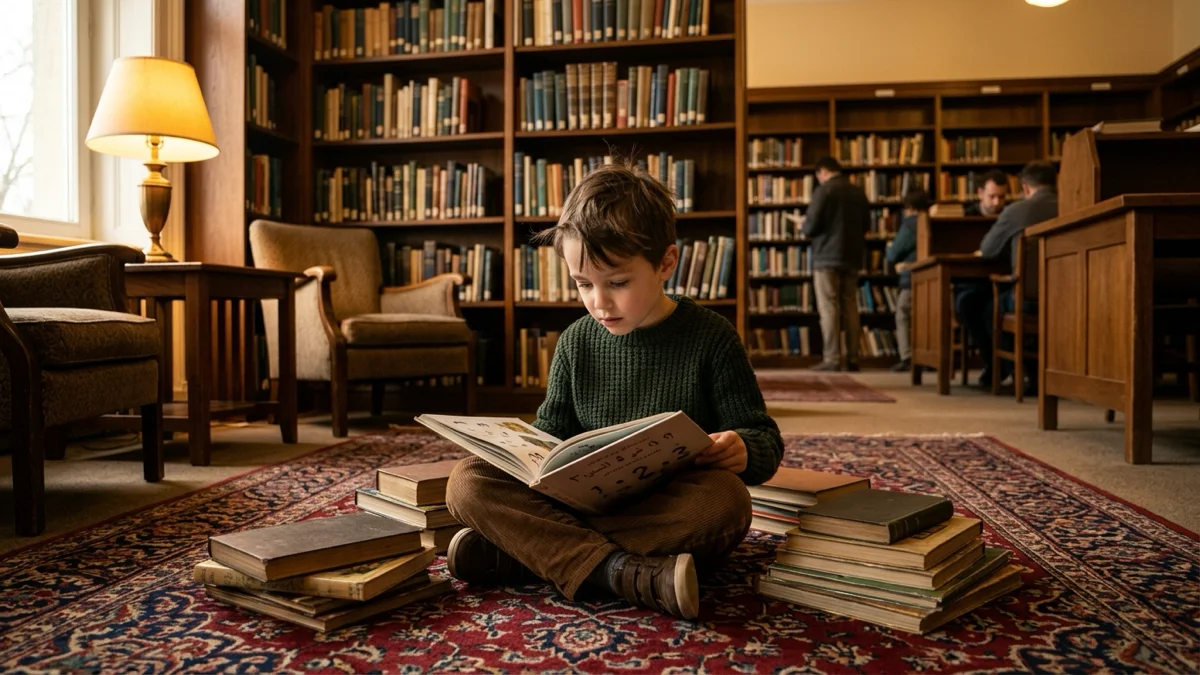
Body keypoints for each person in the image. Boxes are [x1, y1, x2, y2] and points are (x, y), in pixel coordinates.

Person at [443, 162, 784, 620]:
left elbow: (763, 437)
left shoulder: (712, 337)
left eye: (618, 283)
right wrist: (523, 454)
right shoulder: (577, 341)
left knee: (725, 503)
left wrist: (742, 448)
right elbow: (550, 435)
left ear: (666, 262)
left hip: (664, 504)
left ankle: (524, 554)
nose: (599, 302)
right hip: (582, 502)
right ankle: (621, 570)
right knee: (466, 481)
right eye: (584, 284)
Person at [956, 161, 1058, 389]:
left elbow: (988, 249)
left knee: (980, 305)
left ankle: (1005, 366)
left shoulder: (1017, 211)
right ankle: (1019, 368)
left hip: (1026, 295)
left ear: (1025, 188)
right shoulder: (1074, 206)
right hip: (1069, 296)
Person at [802, 156, 870, 371]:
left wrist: (802, 226)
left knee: (829, 307)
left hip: (825, 258)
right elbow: (866, 225)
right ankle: (853, 358)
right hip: (851, 256)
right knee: (850, 305)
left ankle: (832, 358)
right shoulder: (858, 192)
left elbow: (811, 227)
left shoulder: (824, 191)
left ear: (822, 172)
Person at [885, 189, 931, 372]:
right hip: (933, 279)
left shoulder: (911, 224)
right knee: (929, 317)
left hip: (912, 279)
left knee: (903, 314)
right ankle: (930, 355)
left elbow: (893, 253)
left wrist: (892, 252)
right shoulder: (934, 221)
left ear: (910, 208)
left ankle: (907, 356)